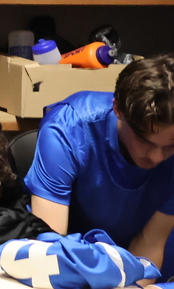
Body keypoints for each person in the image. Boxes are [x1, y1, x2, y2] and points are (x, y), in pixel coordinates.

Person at [27, 53, 174, 275]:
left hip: (149, 264)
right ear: (118, 109)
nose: (156, 157)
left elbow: (150, 242)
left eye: (170, 146)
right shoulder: (67, 128)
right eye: (144, 140)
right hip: (75, 261)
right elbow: (49, 248)